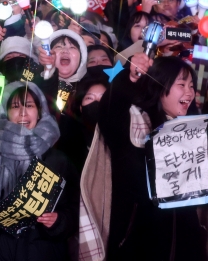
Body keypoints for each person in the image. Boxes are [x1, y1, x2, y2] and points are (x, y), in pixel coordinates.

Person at [83, 55, 203, 260]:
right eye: (181, 84)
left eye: (192, 85)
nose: (189, 92)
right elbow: (110, 111)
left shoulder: (197, 133)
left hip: (186, 245)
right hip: (137, 246)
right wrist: (129, 76)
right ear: (158, 85)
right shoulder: (132, 125)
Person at [0, 82, 79, 261]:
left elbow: (75, 210)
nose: (22, 113)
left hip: (41, 251)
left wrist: (59, 221)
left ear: (40, 111)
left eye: (29, 106)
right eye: (15, 106)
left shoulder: (57, 160)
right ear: (5, 112)